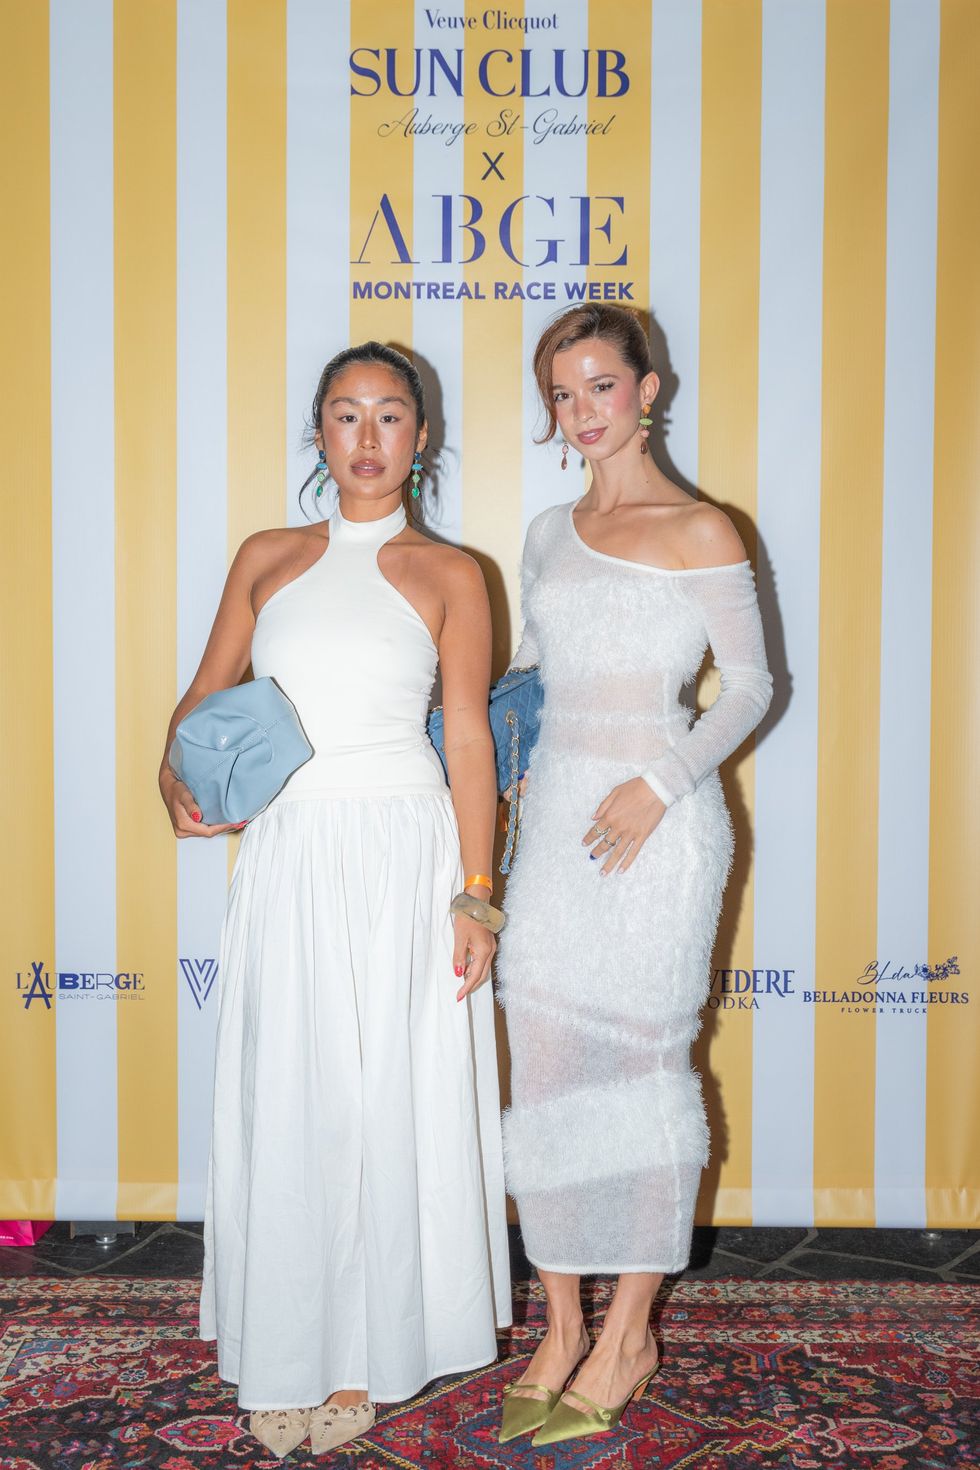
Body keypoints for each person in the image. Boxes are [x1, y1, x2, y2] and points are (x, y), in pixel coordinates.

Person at [158, 342, 510, 1459]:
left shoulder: (454, 573)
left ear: (422, 436)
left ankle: (363, 1353)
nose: (367, 438)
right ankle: (282, 1351)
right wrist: (173, 784)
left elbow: (465, 741)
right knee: (290, 1097)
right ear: (317, 434)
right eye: (345, 415)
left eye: (390, 415)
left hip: (406, 853)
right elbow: (199, 705)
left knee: (379, 1102)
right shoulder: (266, 557)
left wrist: (476, 894)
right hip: (294, 853)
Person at [496, 305, 773, 1448]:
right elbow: (530, 677)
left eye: (599, 386)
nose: (580, 413)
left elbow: (752, 689)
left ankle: (631, 1333)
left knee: (648, 1067)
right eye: (561, 393)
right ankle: (561, 1322)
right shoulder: (546, 531)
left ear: (647, 391)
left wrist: (656, 785)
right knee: (548, 1070)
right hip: (556, 821)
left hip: (659, 830)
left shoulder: (703, 528)